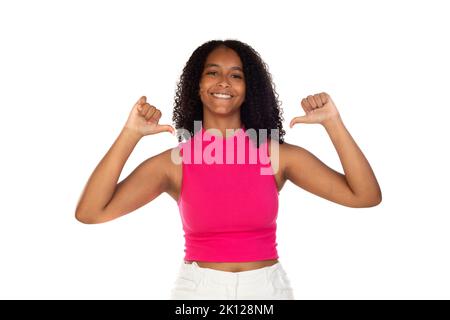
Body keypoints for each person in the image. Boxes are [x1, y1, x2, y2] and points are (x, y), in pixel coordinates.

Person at [75, 39, 382, 300]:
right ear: (198, 84)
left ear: (250, 89)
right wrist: (130, 134)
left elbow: (365, 195)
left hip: (266, 291)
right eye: (213, 73)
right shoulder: (175, 163)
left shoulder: (275, 155)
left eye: (236, 75)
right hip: (199, 292)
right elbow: (91, 212)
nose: (223, 82)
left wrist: (333, 122)